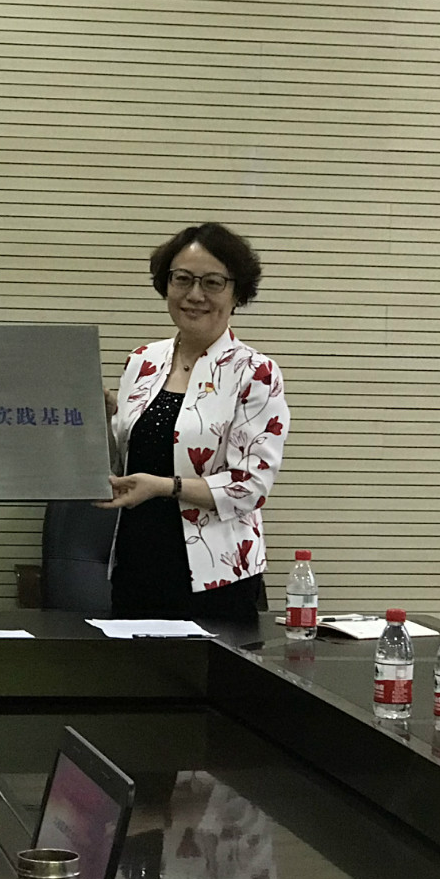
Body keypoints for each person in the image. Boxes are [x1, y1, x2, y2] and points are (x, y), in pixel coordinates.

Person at [98, 223, 290, 622]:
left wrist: (164, 487)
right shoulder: (142, 361)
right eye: (182, 279)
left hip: (217, 575)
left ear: (237, 292)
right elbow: (122, 463)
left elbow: (250, 486)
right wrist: (97, 417)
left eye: (213, 282)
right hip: (136, 561)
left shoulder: (254, 372)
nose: (195, 295)